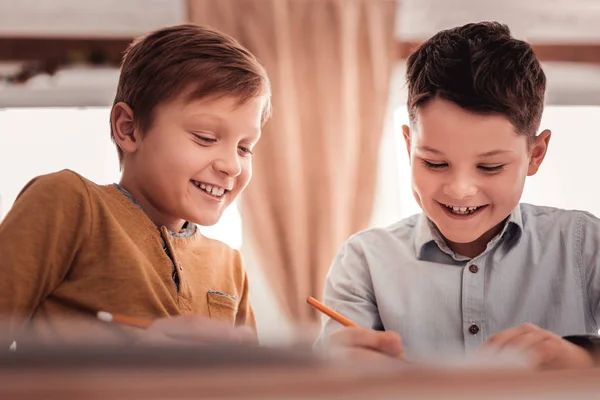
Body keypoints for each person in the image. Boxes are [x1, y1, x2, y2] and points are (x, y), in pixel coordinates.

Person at [316, 21, 600, 369]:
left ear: (535, 155)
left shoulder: (586, 246)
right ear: (408, 147)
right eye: (435, 163)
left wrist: (583, 358)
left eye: (490, 167)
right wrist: (337, 373)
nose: (460, 189)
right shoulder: (364, 262)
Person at [0, 23, 271, 348]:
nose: (231, 165)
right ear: (128, 129)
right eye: (206, 138)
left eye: (245, 148)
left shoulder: (230, 266)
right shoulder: (69, 203)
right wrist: (130, 358)